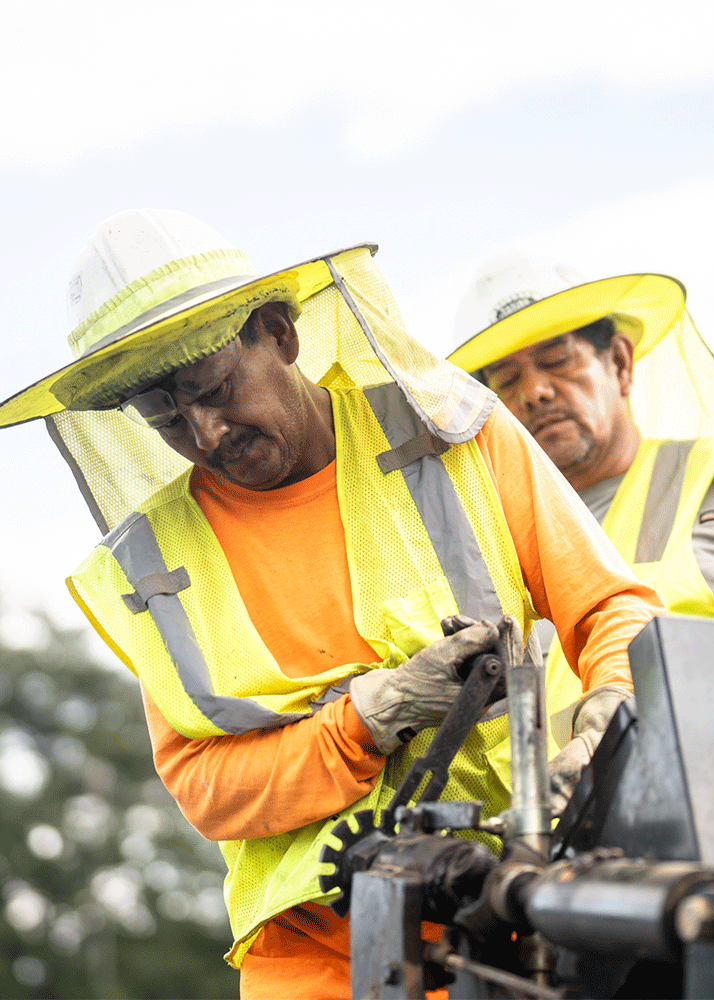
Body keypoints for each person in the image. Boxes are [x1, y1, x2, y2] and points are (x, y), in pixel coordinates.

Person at [0, 212, 663, 1000]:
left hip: (510, 914)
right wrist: (366, 721)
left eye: (214, 390)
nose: (206, 433)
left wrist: (612, 718)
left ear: (280, 333)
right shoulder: (159, 563)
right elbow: (205, 786)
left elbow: (613, 609)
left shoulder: (453, 439)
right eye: (166, 419)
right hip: (310, 961)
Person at [449, 252, 714, 743]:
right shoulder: (495, 565)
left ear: (619, 362)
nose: (535, 392)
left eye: (556, 360)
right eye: (507, 381)